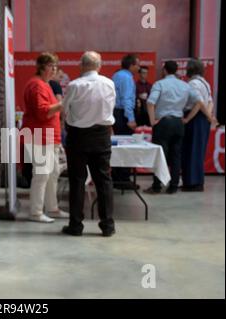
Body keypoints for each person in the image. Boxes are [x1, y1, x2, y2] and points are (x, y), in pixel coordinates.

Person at [62, 51, 116, 237]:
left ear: (81, 65)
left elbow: (65, 110)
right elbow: (110, 107)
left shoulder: (74, 85)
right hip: (102, 134)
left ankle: (76, 225)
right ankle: (108, 225)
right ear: (99, 66)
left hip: (78, 136)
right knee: (104, 180)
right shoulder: (109, 83)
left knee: (77, 181)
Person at [22, 52, 69, 223]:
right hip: (40, 136)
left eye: (55, 66)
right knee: (42, 174)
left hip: (49, 136)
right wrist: (63, 104)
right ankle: (35, 212)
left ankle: (52, 208)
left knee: (53, 172)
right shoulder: (37, 86)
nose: (54, 69)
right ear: (42, 67)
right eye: (51, 66)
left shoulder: (44, 84)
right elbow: (43, 113)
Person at [145, 61, 204, 195]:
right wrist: (187, 119)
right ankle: (173, 186)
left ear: (164, 70)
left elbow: (150, 102)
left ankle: (157, 186)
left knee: (160, 155)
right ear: (176, 70)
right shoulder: (185, 85)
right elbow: (199, 102)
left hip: (163, 123)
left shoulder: (159, 84)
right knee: (176, 155)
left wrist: (152, 121)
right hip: (178, 122)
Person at [181, 59, 217, 192]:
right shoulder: (205, 82)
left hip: (195, 118)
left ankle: (191, 182)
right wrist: (209, 116)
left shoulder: (193, 83)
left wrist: (187, 119)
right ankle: (197, 181)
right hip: (203, 119)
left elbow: (198, 103)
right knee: (199, 150)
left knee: (191, 150)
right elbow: (210, 101)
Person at [112, 54, 141, 189]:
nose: (139, 67)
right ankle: (124, 179)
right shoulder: (127, 78)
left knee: (117, 146)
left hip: (116, 114)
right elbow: (126, 99)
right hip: (123, 115)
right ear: (131, 65)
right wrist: (131, 119)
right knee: (126, 147)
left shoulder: (116, 75)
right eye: (137, 64)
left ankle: (117, 177)